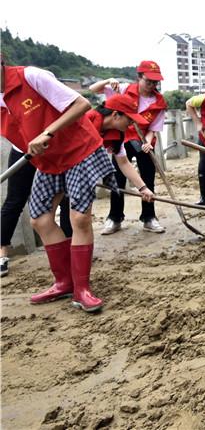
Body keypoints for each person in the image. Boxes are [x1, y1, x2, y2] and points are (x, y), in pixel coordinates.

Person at [1, 55, 114, 312]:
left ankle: (82, 289)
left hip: (79, 149)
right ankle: (64, 282)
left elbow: (81, 104)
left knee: (79, 218)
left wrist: (47, 132)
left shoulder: (31, 76)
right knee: (40, 219)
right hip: (47, 160)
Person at [89, 61, 167, 235]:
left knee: (147, 180)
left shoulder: (159, 102)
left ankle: (149, 217)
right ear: (139, 77)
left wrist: (147, 142)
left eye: (155, 82)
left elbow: (153, 128)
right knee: (117, 179)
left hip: (142, 141)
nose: (152, 86)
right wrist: (108, 81)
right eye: (149, 81)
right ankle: (115, 218)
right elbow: (93, 89)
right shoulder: (122, 90)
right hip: (120, 137)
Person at [1, 145, 73, 277]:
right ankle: (1, 252)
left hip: (55, 150)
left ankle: (71, 248)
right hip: (23, 150)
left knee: (66, 198)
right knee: (15, 200)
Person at [85, 96, 155, 204]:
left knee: (81, 215)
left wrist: (143, 188)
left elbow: (124, 163)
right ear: (115, 115)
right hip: (62, 167)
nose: (132, 123)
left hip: (81, 175)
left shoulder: (118, 134)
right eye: (130, 119)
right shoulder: (86, 120)